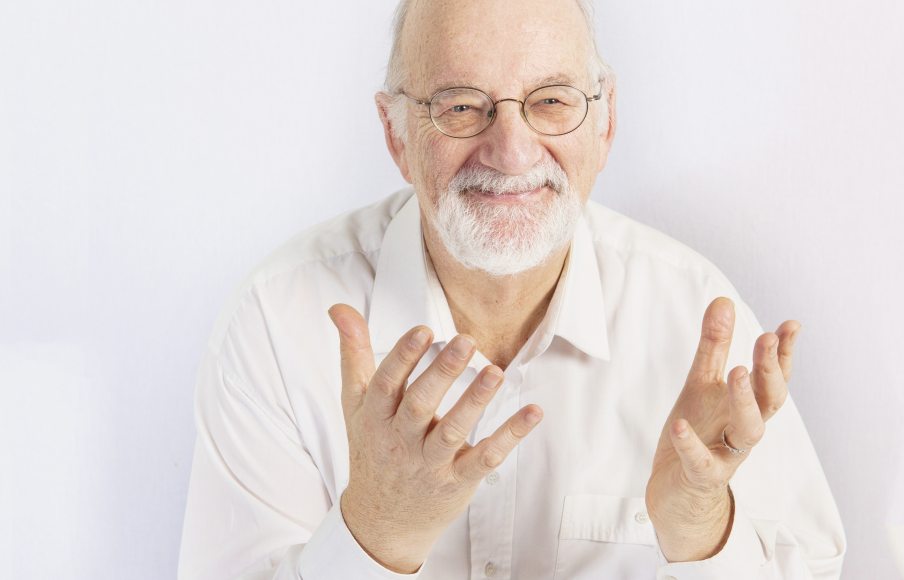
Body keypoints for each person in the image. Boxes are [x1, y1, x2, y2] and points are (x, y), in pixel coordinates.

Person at [177, 0, 846, 578]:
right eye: (461, 106)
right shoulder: (279, 321)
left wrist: (703, 532)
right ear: (396, 134)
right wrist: (374, 537)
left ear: (604, 121)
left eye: (552, 101)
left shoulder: (695, 321)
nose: (512, 150)